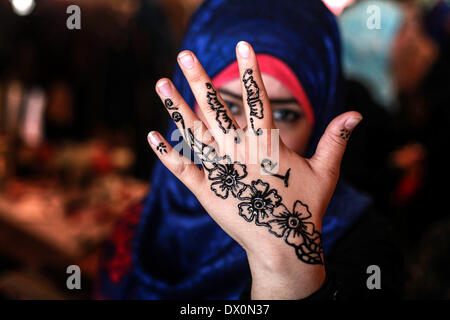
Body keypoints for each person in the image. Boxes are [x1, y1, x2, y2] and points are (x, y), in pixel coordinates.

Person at [96, 0, 402, 300]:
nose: (248, 138)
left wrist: (287, 272)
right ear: (189, 107)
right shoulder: (144, 222)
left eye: (282, 114)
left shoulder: (364, 246)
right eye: (226, 105)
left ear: (319, 122)